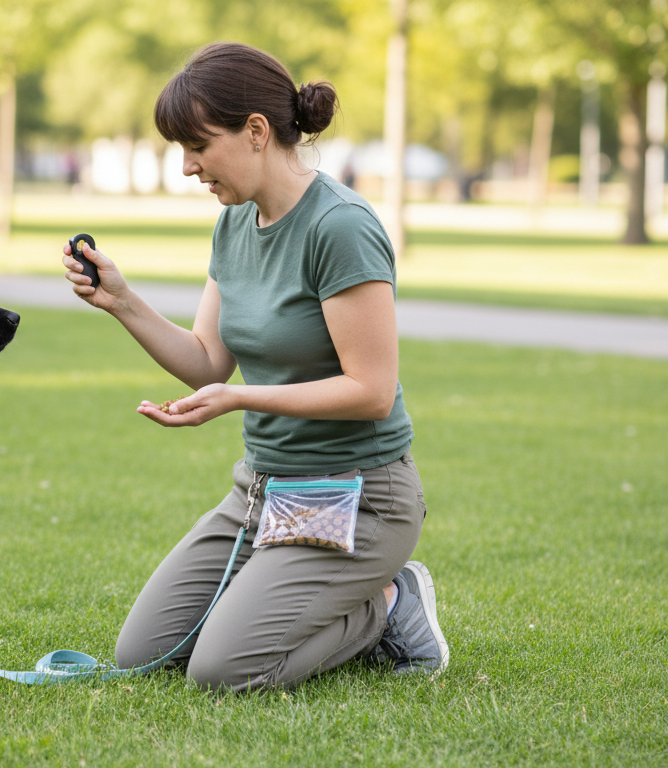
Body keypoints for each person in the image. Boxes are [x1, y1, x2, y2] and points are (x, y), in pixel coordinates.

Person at [61, 42, 449, 692]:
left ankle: (388, 606)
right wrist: (122, 302)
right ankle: (288, 593)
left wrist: (243, 400)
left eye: (197, 146)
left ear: (257, 132)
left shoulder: (341, 227)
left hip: (357, 498)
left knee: (223, 672)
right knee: (144, 654)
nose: (187, 167)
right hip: (264, 492)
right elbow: (208, 361)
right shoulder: (235, 223)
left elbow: (372, 392)